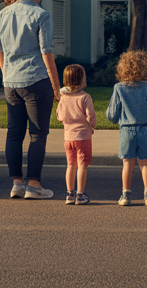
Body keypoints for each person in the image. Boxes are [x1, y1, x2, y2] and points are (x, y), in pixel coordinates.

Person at [0, 0, 62, 199]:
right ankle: (33, 185)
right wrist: (56, 87)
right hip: (36, 80)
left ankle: (17, 184)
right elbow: (47, 53)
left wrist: (8, 75)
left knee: (14, 133)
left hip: (10, 82)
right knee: (37, 134)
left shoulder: (3, 14)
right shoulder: (41, 15)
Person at [106, 50, 147, 206]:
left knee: (128, 163)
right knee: (145, 163)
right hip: (144, 129)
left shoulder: (119, 88)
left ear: (122, 69)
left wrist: (115, 117)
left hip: (127, 130)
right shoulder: (146, 87)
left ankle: (126, 195)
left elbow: (112, 114)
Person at [56, 64, 97, 205]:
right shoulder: (85, 97)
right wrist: (92, 125)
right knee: (82, 165)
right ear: (81, 80)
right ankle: (80, 195)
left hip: (68, 137)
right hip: (83, 137)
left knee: (70, 165)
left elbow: (59, 116)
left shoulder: (63, 97)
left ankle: (70, 194)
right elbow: (90, 116)